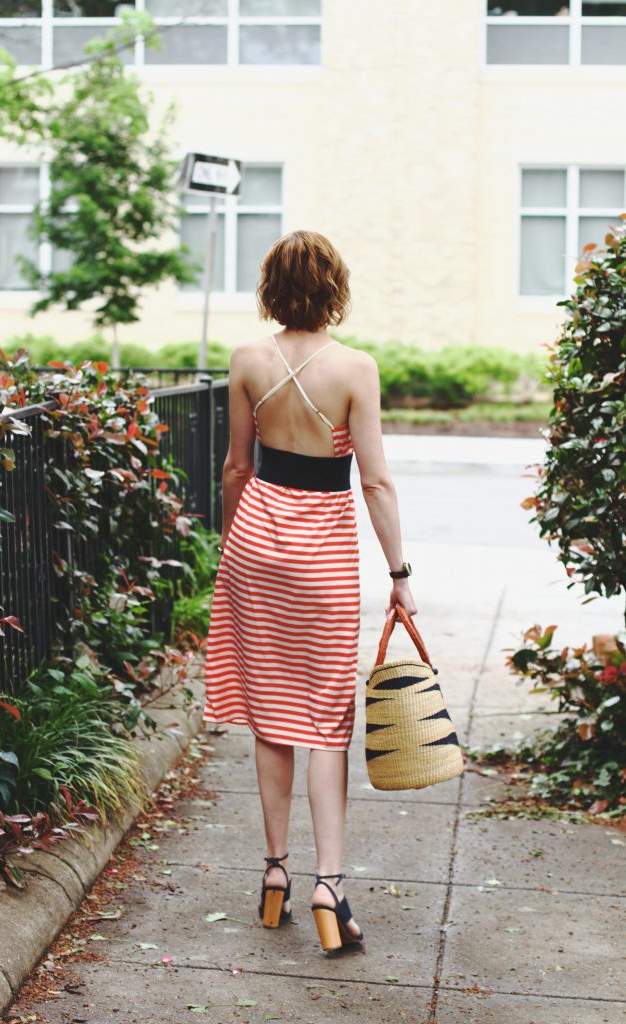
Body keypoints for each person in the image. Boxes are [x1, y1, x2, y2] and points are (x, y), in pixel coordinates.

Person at [203, 229, 417, 952]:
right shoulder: (355, 368)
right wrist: (398, 575)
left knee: (270, 713)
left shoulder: (247, 361)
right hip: (322, 554)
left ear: (271, 287)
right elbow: (376, 481)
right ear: (334, 289)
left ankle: (273, 876)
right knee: (325, 718)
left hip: (256, 547)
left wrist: (233, 550)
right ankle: (329, 884)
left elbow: (236, 468)